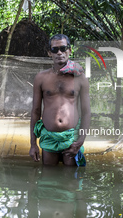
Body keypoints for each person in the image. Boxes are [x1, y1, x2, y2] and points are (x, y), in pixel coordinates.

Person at [29, 34, 90, 166]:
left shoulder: (80, 78)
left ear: (69, 50)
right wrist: (33, 144)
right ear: (49, 53)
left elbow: (86, 112)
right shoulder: (41, 78)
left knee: (70, 181)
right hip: (49, 138)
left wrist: (80, 141)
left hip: (71, 138)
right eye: (55, 49)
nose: (59, 53)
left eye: (63, 48)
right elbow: (35, 111)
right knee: (48, 180)